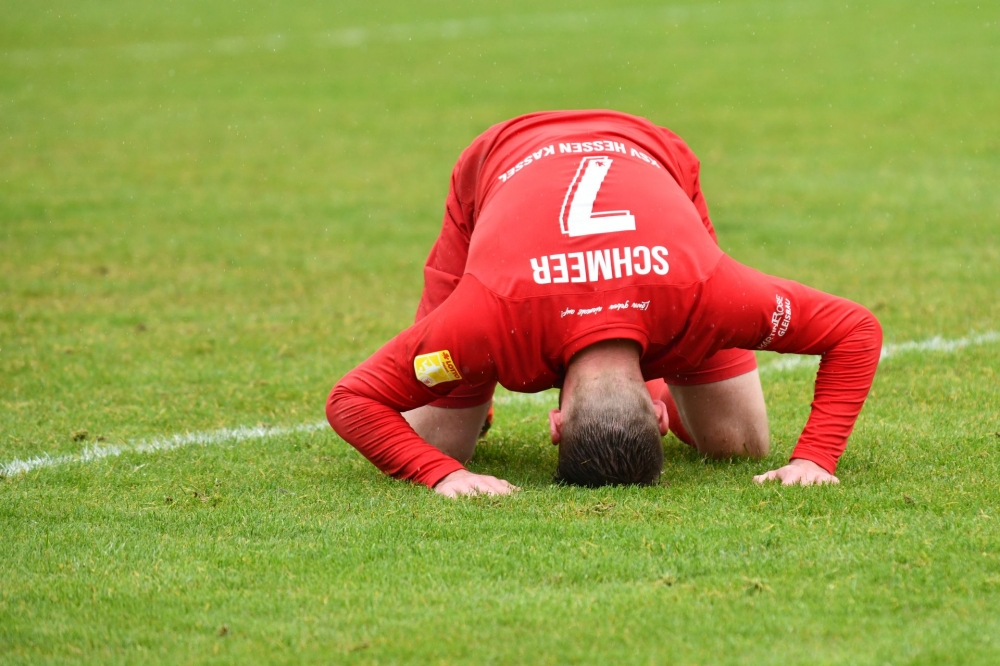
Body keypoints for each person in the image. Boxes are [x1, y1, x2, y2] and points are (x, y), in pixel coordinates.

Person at [326, 110, 882, 497]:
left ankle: (464, 385)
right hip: (495, 163)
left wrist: (816, 457)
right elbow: (352, 399)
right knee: (441, 443)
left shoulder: (706, 293)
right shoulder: (487, 318)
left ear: (555, 423)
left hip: (648, 158)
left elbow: (352, 400)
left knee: (737, 443)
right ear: (659, 416)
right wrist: (441, 468)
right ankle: (473, 392)